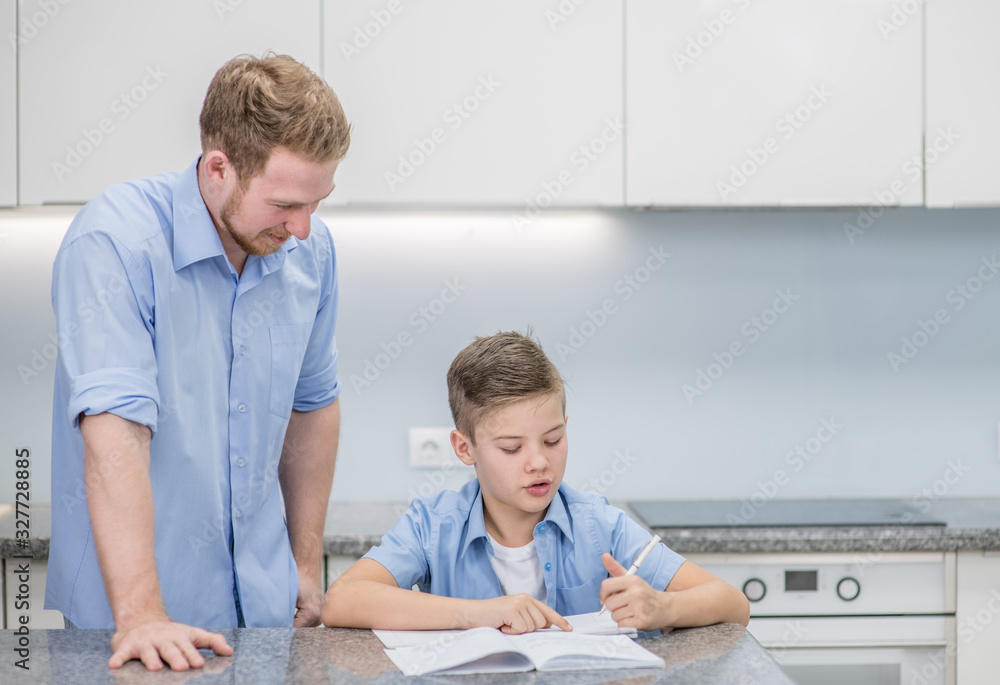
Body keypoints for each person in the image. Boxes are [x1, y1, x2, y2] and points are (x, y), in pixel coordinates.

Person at [45, 53, 351, 671]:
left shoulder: (309, 255)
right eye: (286, 204)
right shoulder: (117, 244)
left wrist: (303, 565)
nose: (302, 227)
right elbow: (116, 435)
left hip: (265, 618)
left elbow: (313, 405)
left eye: (319, 203)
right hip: (133, 629)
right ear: (219, 168)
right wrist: (142, 614)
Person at [322, 331, 749, 634]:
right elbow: (342, 600)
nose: (539, 462)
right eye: (511, 448)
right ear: (464, 448)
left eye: (553, 439)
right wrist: (478, 614)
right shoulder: (433, 525)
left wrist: (664, 607)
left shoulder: (600, 525)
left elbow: (733, 603)